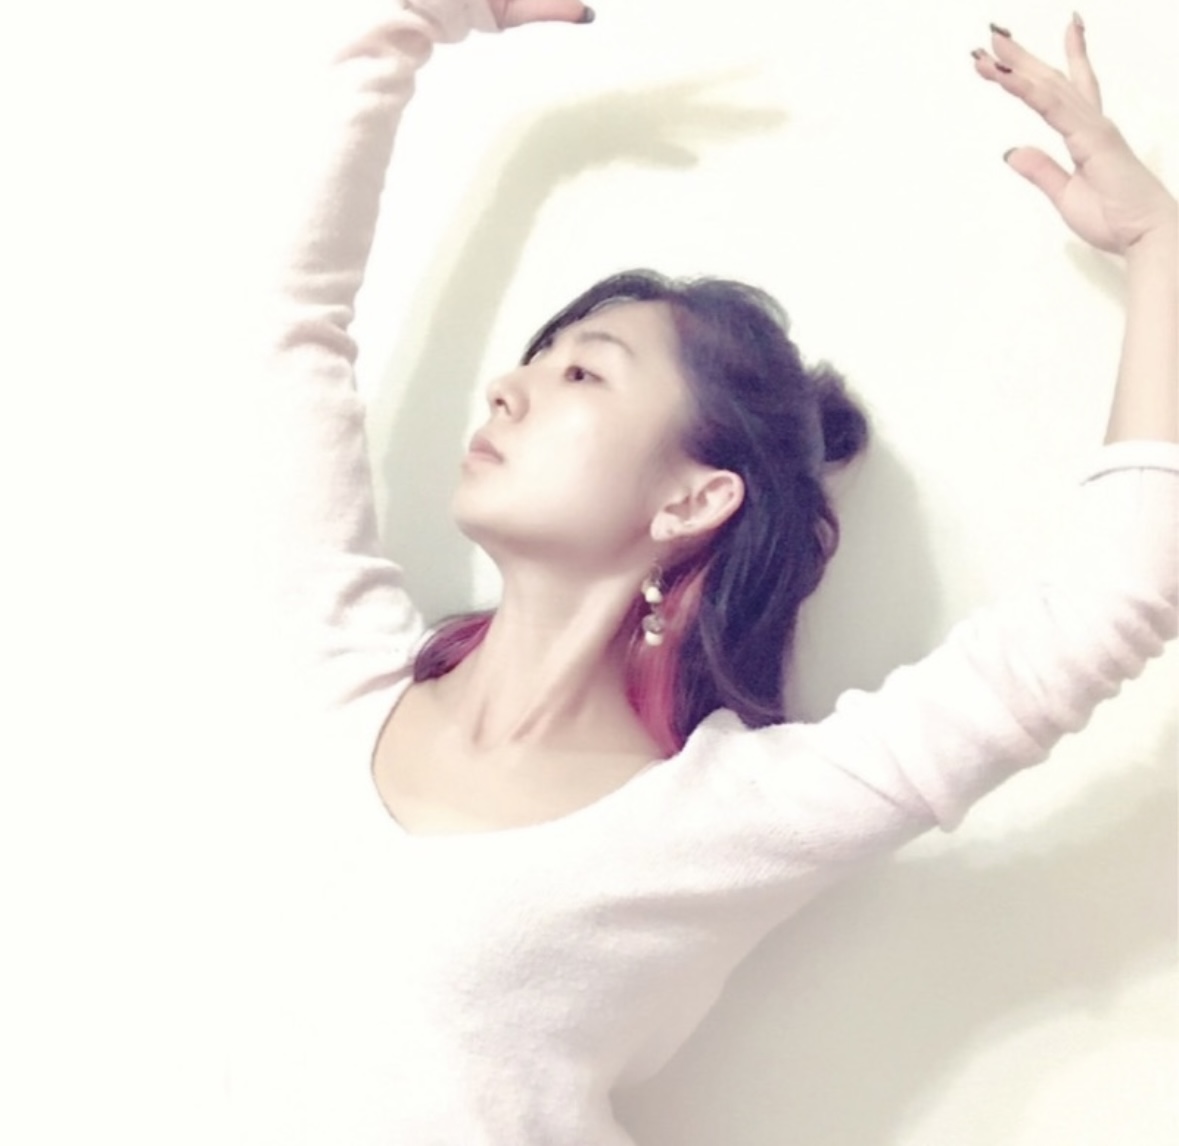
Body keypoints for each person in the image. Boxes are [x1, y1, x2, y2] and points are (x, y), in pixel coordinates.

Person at [237, 1, 1177, 1142]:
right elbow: (284, 325)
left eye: (583, 374)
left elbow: (1108, 602)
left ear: (694, 498)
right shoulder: (334, 663)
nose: (507, 389)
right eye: (535, 361)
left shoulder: (718, 819)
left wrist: (1159, 248)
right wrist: (408, 20)